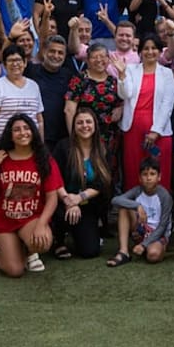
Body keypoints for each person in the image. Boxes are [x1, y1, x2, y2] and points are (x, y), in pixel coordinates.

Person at [0, 114, 63, 277]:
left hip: (30, 219)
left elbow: (52, 198)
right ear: (10, 135)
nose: (22, 133)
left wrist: (41, 224)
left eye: (26, 128)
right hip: (4, 220)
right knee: (15, 271)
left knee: (44, 242)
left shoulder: (44, 159)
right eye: (16, 130)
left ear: (33, 132)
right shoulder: (0, 158)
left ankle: (26, 248)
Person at [50, 108, 111, 260]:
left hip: (87, 204)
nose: (85, 126)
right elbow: (54, 177)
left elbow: (103, 183)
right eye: (80, 122)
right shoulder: (63, 147)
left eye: (88, 122)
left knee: (89, 251)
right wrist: (69, 201)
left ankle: (81, 232)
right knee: (56, 209)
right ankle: (58, 240)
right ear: (74, 126)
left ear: (95, 125)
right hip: (62, 201)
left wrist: (79, 198)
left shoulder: (101, 149)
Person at [117, 35, 174, 188]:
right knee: (133, 170)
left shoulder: (167, 73)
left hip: (159, 130)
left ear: (159, 51)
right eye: (146, 48)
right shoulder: (130, 69)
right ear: (140, 51)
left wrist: (156, 131)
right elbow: (125, 94)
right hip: (133, 128)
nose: (150, 52)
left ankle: (161, 209)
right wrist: (121, 75)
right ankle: (133, 209)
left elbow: (167, 104)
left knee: (158, 171)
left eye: (154, 48)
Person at [64, 42, 124, 169]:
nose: (99, 60)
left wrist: (121, 108)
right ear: (87, 60)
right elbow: (69, 110)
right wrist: (73, 137)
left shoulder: (113, 81)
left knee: (108, 172)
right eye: (94, 57)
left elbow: (123, 100)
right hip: (85, 135)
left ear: (108, 59)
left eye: (102, 57)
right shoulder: (79, 79)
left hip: (109, 136)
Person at [107, 157, 174, 266]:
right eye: (145, 174)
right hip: (140, 230)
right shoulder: (137, 190)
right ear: (140, 178)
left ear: (159, 177)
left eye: (152, 174)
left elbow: (163, 226)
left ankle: (148, 248)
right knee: (124, 207)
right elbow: (115, 200)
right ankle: (124, 252)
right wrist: (137, 205)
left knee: (153, 255)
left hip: (157, 234)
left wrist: (144, 244)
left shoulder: (165, 196)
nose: (148, 178)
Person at [0, 45, 45, 148]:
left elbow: (39, 120)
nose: (15, 64)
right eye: (10, 61)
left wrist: (41, 146)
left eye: (18, 60)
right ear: (4, 64)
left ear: (25, 62)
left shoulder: (33, 86)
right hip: (5, 144)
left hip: (31, 145)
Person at [27, 35, 74, 147]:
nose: (56, 56)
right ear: (44, 51)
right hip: (36, 137)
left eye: (60, 53)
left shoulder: (69, 76)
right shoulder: (30, 71)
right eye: (52, 51)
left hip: (62, 139)